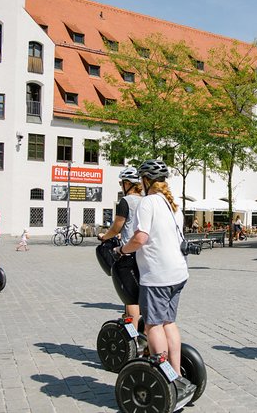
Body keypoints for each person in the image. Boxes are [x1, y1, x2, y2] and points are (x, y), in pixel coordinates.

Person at [116, 159, 191, 385]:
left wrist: (122, 249)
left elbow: (141, 237)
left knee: (152, 325)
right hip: (178, 273)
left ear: (146, 180)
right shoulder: (173, 205)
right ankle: (175, 374)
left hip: (157, 275)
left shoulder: (148, 202)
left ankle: (164, 375)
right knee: (169, 322)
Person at [98, 167, 144, 325]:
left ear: (127, 184)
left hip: (128, 254)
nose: (120, 186)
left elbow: (117, 226)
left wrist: (104, 236)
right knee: (142, 295)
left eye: (121, 183)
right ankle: (144, 335)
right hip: (144, 254)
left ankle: (133, 337)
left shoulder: (126, 201)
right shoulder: (146, 201)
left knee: (130, 298)